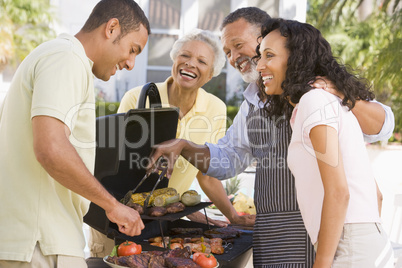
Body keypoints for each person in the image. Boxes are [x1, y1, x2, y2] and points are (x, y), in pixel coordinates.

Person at [146, 7, 395, 268]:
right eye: (228, 52)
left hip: (319, 231)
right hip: (273, 234)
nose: (234, 58)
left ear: (266, 38)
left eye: (239, 46)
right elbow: (228, 158)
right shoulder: (251, 103)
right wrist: (185, 146)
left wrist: (342, 93)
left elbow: (382, 126)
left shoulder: (317, 92)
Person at [0, 0, 150, 267]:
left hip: (36, 241)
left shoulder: (58, 56)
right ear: (112, 28)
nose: (131, 63)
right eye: (133, 49)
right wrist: (113, 206)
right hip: (41, 244)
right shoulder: (66, 58)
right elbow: (51, 148)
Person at [88, 28, 255, 258]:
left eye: (201, 61)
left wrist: (233, 215)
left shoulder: (216, 108)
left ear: (211, 74)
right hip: (118, 219)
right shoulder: (138, 99)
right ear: (174, 59)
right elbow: (112, 165)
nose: (190, 64)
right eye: (184, 56)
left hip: (161, 222)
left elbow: (206, 174)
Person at [255, 17, 394, 267]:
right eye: (260, 56)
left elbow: (339, 192)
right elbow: (376, 195)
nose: (259, 66)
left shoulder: (314, 102)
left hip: (350, 247)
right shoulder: (327, 105)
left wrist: (324, 262)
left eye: (269, 55)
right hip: (360, 243)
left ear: (296, 58)